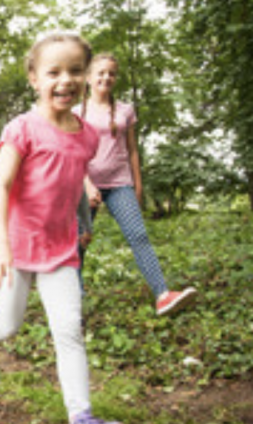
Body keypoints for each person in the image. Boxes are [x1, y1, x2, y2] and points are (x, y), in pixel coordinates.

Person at [0, 32, 128, 424]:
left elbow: (72, 183)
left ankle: (81, 421)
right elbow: (0, 184)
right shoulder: (21, 128)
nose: (65, 80)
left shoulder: (88, 136)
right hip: (14, 247)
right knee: (9, 323)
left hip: (60, 250)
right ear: (34, 78)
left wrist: (84, 220)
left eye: (76, 71)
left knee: (69, 329)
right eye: (54, 71)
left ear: (87, 78)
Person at [78, 53, 197, 315]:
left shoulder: (125, 110)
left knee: (139, 236)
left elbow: (132, 150)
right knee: (79, 242)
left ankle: (163, 295)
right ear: (88, 77)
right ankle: (73, 302)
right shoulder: (77, 112)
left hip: (120, 184)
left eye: (111, 73)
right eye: (100, 72)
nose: (106, 77)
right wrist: (86, 184)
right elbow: (73, 153)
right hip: (85, 186)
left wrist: (137, 186)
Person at [0, 169, 94, 328]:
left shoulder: (71, 152)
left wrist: (87, 226)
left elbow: (77, 188)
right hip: (22, 227)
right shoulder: (26, 147)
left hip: (58, 232)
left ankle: (71, 320)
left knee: (69, 271)